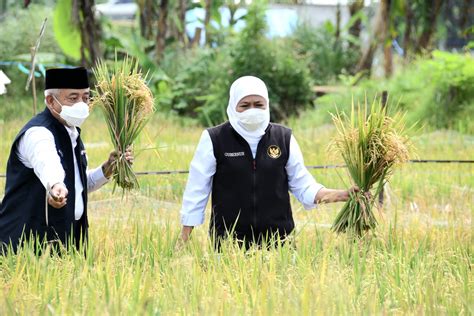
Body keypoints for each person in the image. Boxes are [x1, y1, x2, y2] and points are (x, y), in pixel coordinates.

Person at [180, 76, 360, 249]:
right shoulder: (214, 139)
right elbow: (197, 191)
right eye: (245, 105)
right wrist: (183, 241)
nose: (252, 110)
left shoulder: (283, 138)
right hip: (229, 246)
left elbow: (303, 185)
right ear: (233, 106)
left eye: (258, 105)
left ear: (267, 105)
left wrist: (343, 195)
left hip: (279, 245)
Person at [0, 67, 133, 254]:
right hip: (25, 247)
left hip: (65, 243)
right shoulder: (38, 133)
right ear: (50, 101)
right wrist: (55, 185)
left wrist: (108, 168)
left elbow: (77, 184)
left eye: (86, 98)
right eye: (73, 98)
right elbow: (46, 162)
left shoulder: (72, 132)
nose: (81, 104)